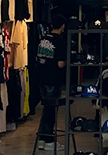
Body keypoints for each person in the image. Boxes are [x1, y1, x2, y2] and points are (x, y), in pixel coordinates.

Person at [36, 14, 67, 151]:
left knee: (46, 109)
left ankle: (42, 139)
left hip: (41, 78)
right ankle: (49, 140)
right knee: (51, 110)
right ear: (62, 26)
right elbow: (60, 64)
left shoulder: (43, 39)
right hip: (53, 79)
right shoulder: (60, 42)